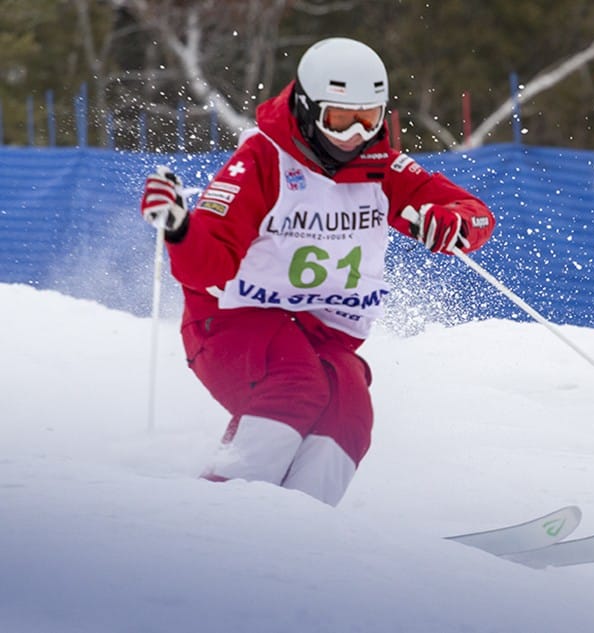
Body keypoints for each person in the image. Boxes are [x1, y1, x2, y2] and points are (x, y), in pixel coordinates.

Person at [139, 37, 495, 506]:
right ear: (308, 109)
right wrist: (180, 228)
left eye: (368, 119)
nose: (353, 136)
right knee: (296, 384)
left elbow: (472, 212)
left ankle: (303, 521)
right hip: (230, 323)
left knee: (349, 406)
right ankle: (221, 509)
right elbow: (208, 263)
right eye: (339, 120)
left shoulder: (379, 165)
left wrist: (452, 224)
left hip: (319, 332)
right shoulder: (263, 161)